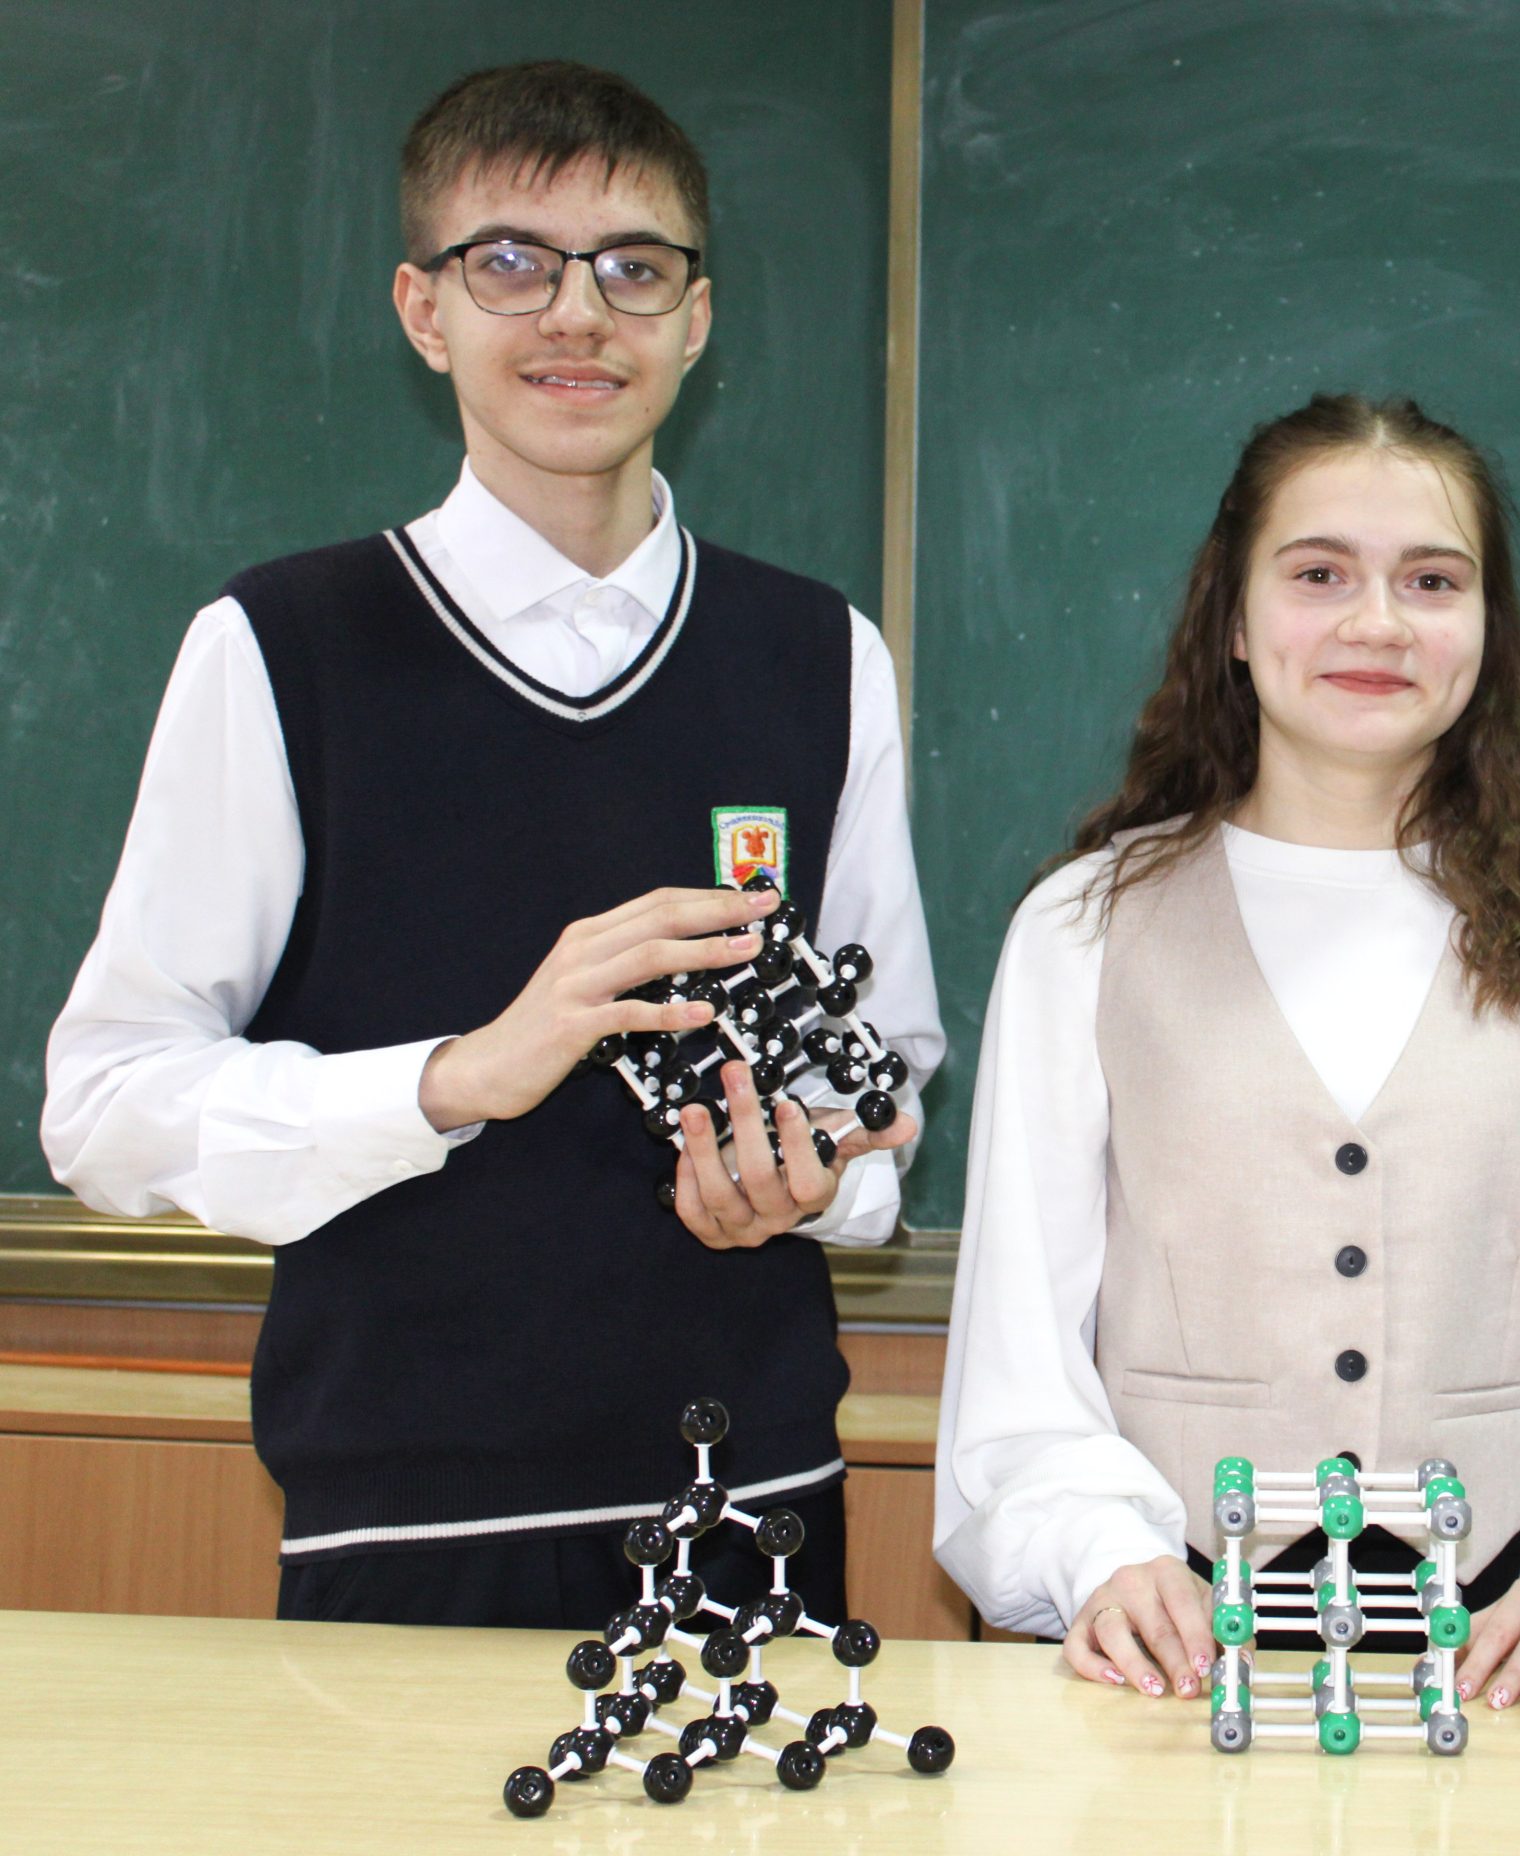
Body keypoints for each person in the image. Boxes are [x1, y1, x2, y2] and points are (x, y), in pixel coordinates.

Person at [42, 61, 943, 1627]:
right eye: (511, 263)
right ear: (424, 310)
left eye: (633, 269)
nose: (578, 315)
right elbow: (106, 1106)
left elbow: (887, 1075)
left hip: (753, 1512)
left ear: (696, 319)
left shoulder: (819, 655)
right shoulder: (280, 648)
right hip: (405, 1520)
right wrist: (455, 1078)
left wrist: (813, 1182)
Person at [935, 395, 1520, 1712]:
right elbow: (1021, 1349)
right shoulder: (1083, 928)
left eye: (1433, 581)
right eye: (1318, 575)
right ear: (1234, 623)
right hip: (1166, 1643)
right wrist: (1099, 1554)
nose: (1377, 623)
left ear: (1488, 631)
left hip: (1508, 1644)